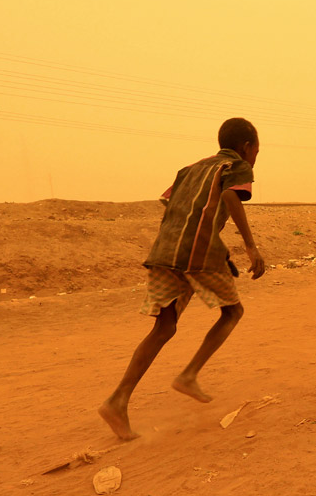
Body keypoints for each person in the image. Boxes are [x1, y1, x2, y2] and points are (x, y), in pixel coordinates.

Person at [99, 118, 266, 441]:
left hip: (165, 249)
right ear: (247, 147)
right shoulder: (237, 166)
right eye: (257, 150)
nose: (256, 157)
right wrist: (250, 247)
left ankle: (116, 401)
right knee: (233, 312)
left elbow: (173, 204)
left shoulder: (189, 169)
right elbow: (231, 198)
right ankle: (188, 374)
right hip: (196, 250)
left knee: (165, 326)